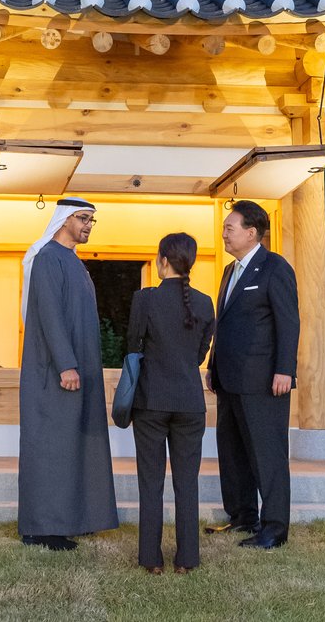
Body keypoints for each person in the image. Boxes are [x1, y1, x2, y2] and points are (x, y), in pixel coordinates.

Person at [17, 197, 118, 551]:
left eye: (92, 219)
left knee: (74, 447)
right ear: (64, 220)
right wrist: (66, 365)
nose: (89, 225)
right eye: (83, 218)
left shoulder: (73, 261)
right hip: (56, 374)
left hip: (77, 370)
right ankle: (43, 528)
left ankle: (72, 519)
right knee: (51, 448)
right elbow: (49, 316)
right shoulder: (48, 258)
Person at [206, 199, 299, 550]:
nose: (224, 234)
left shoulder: (275, 267)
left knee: (267, 454)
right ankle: (243, 517)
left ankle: (274, 529)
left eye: (230, 228)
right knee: (232, 453)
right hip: (228, 380)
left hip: (263, 382)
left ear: (251, 232)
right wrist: (212, 366)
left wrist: (284, 370)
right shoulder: (229, 271)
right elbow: (224, 325)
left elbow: (289, 323)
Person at [125, 232, 216, 575]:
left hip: (151, 401)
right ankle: (187, 560)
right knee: (187, 483)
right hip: (190, 402)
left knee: (151, 482)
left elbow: (133, 347)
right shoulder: (205, 303)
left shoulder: (145, 299)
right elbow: (200, 355)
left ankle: (151, 559)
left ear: (163, 260)